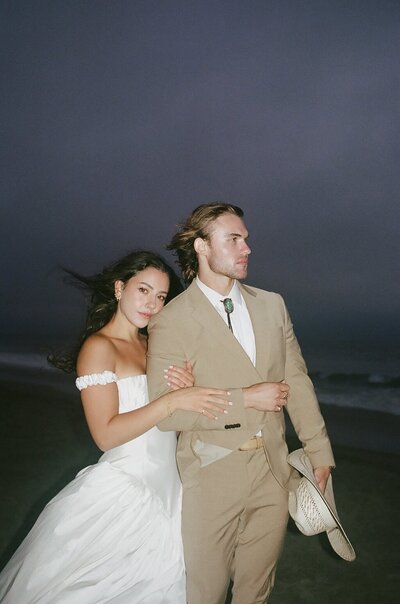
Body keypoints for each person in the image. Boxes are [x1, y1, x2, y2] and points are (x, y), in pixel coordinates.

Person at [0, 250, 229, 604]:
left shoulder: (154, 345)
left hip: (172, 488)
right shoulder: (98, 348)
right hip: (127, 489)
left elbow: (174, 422)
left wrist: (185, 387)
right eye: (144, 290)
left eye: (161, 296)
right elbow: (105, 435)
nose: (152, 304)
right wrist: (170, 401)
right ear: (120, 288)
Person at [146, 203, 335, 604]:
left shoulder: (272, 305)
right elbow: (167, 411)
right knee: (206, 594)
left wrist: (319, 452)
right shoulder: (171, 320)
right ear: (201, 246)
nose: (246, 248)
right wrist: (245, 399)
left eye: (246, 239)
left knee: (256, 593)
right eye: (233, 239)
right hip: (211, 477)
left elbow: (297, 381)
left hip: (273, 470)